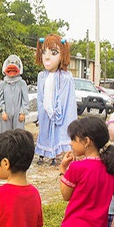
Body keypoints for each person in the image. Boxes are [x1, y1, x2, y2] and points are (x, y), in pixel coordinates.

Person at [35, 34, 76, 166]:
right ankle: (42, 154)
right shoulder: (41, 76)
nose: (47, 57)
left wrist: (56, 111)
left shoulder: (65, 77)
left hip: (58, 112)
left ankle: (54, 156)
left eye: (53, 53)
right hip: (44, 111)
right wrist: (42, 110)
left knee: (57, 132)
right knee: (44, 132)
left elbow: (64, 98)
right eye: (44, 52)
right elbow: (40, 95)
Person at [0, 54, 29, 133]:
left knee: (19, 135)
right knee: (5, 135)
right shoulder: (3, 84)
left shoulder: (22, 83)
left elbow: (25, 100)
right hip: (6, 115)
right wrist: (2, 112)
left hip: (18, 115)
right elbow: (0, 99)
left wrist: (23, 112)